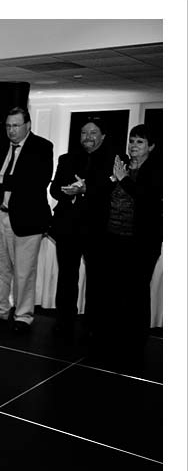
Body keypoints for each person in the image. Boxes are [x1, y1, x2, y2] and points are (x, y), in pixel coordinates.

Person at [0, 107, 53, 333]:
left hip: (27, 219)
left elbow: (36, 182)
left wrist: (0, 178)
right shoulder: (2, 147)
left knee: (23, 272)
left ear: (28, 125)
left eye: (16, 125)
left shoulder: (42, 147)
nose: (11, 130)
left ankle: (23, 316)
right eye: (8, 126)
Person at [89, 124, 161, 358]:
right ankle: (113, 335)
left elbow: (147, 200)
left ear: (151, 146)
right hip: (113, 238)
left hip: (140, 242)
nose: (133, 145)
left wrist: (125, 179)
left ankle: (136, 339)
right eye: (131, 140)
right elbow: (102, 194)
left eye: (140, 142)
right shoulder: (121, 167)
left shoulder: (156, 170)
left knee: (137, 291)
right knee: (113, 289)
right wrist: (115, 177)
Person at [48, 117, 116, 337]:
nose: (88, 137)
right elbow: (54, 190)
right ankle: (64, 321)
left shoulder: (113, 160)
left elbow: (110, 191)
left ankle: (94, 324)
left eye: (93, 132)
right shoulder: (66, 159)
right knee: (67, 276)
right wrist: (68, 190)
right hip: (67, 227)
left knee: (97, 279)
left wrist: (85, 190)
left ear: (103, 136)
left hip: (96, 228)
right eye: (84, 133)